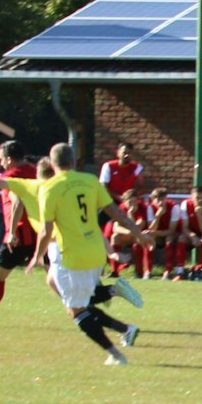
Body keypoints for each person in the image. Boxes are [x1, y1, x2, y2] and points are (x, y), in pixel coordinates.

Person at [0, 152, 138, 326]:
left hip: (24, 238)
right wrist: (112, 252)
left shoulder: (19, 180)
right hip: (52, 241)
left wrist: (11, 231)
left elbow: (16, 202)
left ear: (9, 159)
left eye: (3, 159)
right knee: (60, 284)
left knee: (1, 274)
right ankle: (104, 296)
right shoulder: (52, 181)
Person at [33, 143, 151, 365]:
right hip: (96, 254)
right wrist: (138, 233)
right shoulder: (91, 181)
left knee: (76, 310)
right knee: (73, 296)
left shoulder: (49, 188)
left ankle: (116, 354)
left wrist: (36, 256)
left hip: (71, 256)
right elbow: (116, 212)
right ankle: (121, 317)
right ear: (74, 161)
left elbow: (46, 230)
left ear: (52, 162)